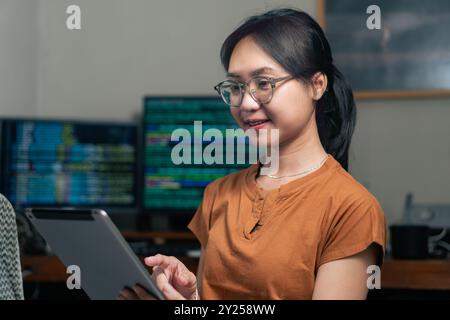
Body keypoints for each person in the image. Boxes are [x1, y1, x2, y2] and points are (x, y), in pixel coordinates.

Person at [120, 8, 386, 300]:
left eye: (264, 84)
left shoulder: (352, 208)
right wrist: (188, 297)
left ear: (316, 85)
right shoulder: (218, 195)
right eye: (235, 87)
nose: (245, 103)